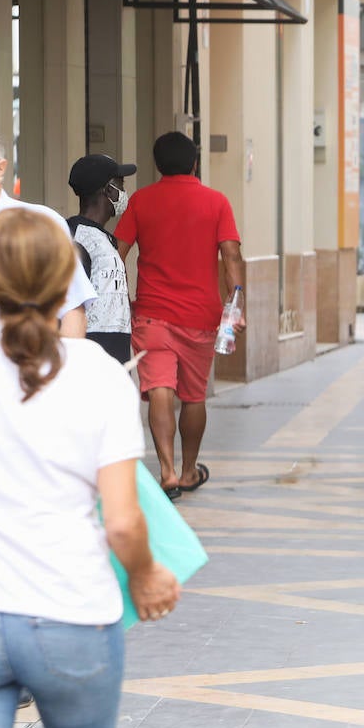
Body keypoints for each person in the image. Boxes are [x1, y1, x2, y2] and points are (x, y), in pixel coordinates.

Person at [0, 209, 180, 728]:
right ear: (67, 278)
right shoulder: (95, 373)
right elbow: (122, 521)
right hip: (71, 616)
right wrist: (148, 576)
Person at [115, 131, 246, 499]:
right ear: (194, 162)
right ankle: (189, 471)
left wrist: (121, 299)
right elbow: (231, 256)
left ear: (158, 164)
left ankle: (167, 472)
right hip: (200, 317)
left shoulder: (141, 201)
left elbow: (116, 253)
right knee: (193, 396)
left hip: (151, 315)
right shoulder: (216, 202)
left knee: (159, 388)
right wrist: (235, 308)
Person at [0, 122, 94, 338]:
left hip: (23, 364)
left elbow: (72, 308)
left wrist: (65, 368)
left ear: (0, 168)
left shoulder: (39, 224)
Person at [67, 153, 137, 363]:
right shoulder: (76, 237)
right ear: (108, 190)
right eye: (120, 185)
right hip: (92, 350)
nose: (124, 193)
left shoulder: (104, 237)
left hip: (116, 347)